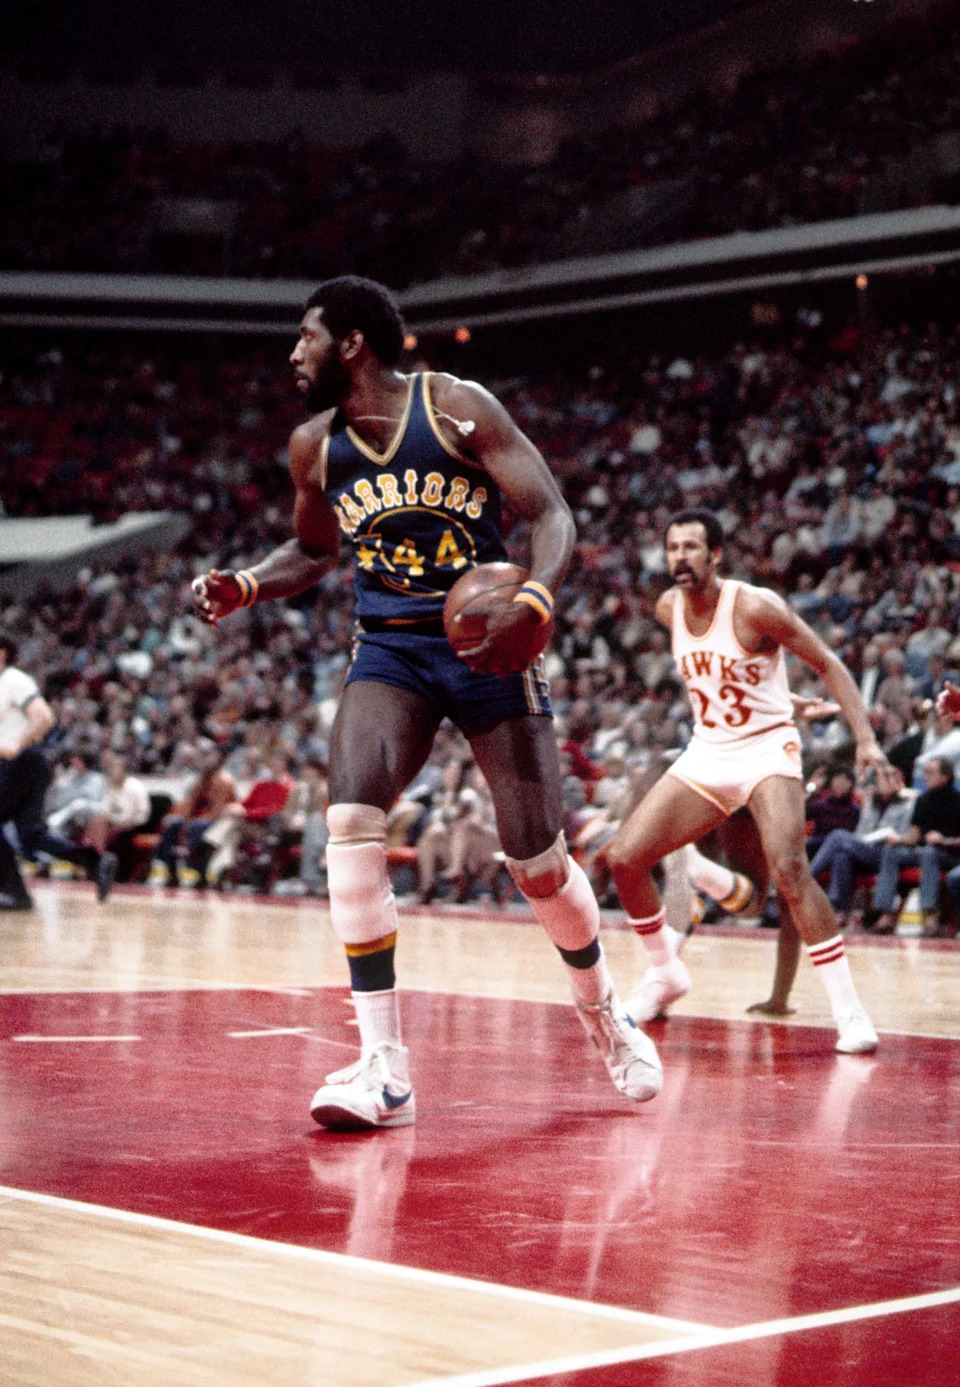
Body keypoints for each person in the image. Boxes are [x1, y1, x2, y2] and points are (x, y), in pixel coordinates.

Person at [192, 274, 661, 1128]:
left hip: (486, 640)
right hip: (392, 650)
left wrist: (537, 602)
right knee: (349, 825)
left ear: (353, 343)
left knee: (538, 862)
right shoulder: (314, 447)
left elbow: (550, 513)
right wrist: (251, 584)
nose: (293, 353)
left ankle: (605, 1011)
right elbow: (312, 548)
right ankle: (385, 1068)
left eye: (306, 337)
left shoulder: (455, 407)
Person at [604, 508, 888, 1055]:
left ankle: (849, 1012)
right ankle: (665, 973)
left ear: (715, 555)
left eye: (691, 547)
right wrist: (784, 696)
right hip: (709, 750)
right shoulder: (668, 608)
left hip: (767, 750)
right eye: (672, 548)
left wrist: (866, 738)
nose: (679, 557)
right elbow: (727, 677)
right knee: (624, 858)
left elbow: (827, 662)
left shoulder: (756, 605)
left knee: (788, 867)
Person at [0, 634, 117, 909]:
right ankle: (95, 861)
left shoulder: (14, 679)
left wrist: (17, 744)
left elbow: (44, 717)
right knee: (31, 833)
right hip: (25, 765)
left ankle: (15, 892)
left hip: (23, 761)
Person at [806, 764, 915, 930]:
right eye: (880, 780)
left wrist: (897, 839)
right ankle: (838, 909)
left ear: (897, 783)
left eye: (887, 780)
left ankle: (806, 879)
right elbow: (861, 833)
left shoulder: (907, 806)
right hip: (868, 849)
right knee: (842, 855)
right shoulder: (872, 805)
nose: (882, 783)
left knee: (837, 835)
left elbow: (909, 834)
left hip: (889, 853)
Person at [869, 756, 960, 936]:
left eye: (930, 772)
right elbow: (914, 835)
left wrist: (943, 840)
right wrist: (899, 839)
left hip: (950, 854)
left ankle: (930, 914)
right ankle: (886, 913)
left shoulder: (957, 801)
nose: (925, 776)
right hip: (924, 852)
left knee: (929, 853)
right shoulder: (923, 800)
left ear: (945, 776)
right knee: (891, 852)